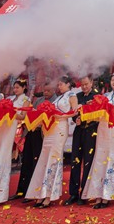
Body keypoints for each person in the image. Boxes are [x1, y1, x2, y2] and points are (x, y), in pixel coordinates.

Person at [28, 76, 77, 208]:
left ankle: (49, 195)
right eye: (58, 84)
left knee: (54, 158)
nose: (59, 87)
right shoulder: (59, 98)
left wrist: (60, 116)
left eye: (61, 84)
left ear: (68, 84)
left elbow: (74, 112)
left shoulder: (71, 95)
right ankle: (40, 193)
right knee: (44, 158)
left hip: (60, 127)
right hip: (50, 128)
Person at [82, 73, 114, 209]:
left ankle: (107, 195)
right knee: (100, 156)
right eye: (112, 80)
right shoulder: (105, 95)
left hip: (113, 125)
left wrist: (108, 106)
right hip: (102, 126)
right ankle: (97, 194)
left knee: (110, 156)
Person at [15, 83, 56, 200]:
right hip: (31, 131)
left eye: (48, 91)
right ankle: (22, 190)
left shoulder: (55, 101)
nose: (45, 93)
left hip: (42, 134)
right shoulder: (39, 100)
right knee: (26, 161)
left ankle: (33, 191)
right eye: (44, 91)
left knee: (36, 162)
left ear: (53, 90)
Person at [64, 75, 99, 205]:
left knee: (88, 162)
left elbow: (99, 114)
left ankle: (84, 193)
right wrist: (76, 119)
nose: (84, 87)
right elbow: (73, 112)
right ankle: (73, 193)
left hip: (91, 131)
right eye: (82, 84)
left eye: (86, 84)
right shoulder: (77, 96)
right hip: (79, 131)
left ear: (91, 83)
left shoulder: (97, 96)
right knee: (75, 161)